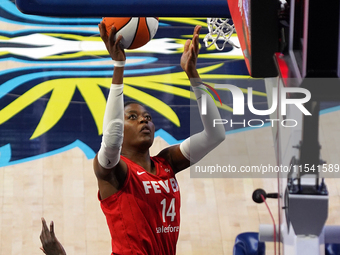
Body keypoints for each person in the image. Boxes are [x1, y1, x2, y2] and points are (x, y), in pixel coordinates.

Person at [39, 23, 225, 255]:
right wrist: (119, 66)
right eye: (133, 117)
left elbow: (215, 134)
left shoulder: (166, 162)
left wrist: (193, 75)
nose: (143, 121)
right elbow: (112, 137)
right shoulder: (113, 172)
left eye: (147, 117)